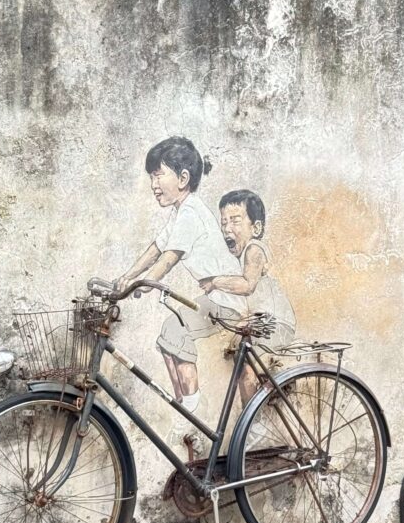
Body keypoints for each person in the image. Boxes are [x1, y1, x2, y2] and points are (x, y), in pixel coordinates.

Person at [116, 137, 242, 441]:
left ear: (183, 178)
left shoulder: (192, 213)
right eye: (150, 177)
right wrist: (126, 276)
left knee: (177, 331)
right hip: (215, 298)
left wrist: (143, 283)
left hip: (229, 299)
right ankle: (184, 402)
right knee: (169, 335)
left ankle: (191, 403)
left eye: (158, 174)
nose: (153, 183)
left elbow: (170, 258)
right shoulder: (180, 212)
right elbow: (156, 248)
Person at [199, 189, 296, 405]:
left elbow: (247, 285)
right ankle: (258, 406)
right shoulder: (244, 254)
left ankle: (254, 416)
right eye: (224, 222)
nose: (227, 228)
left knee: (245, 363)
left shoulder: (254, 248)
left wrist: (215, 281)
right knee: (241, 358)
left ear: (256, 227)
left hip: (276, 322)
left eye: (235, 221)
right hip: (263, 321)